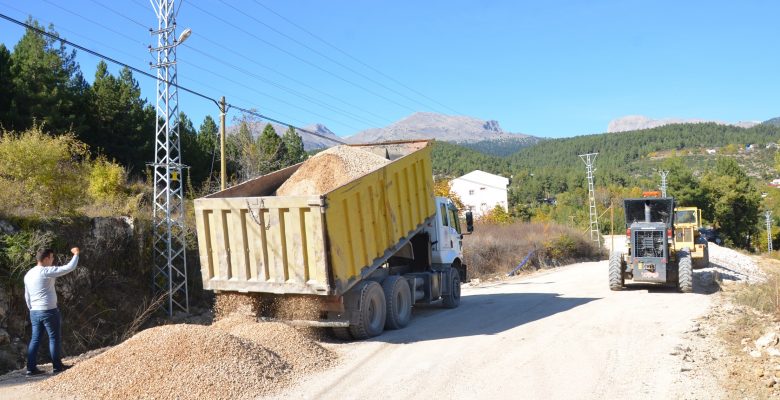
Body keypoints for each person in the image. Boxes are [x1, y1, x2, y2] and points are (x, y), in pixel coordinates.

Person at [23, 247, 80, 376]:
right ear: (47, 258)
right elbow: (69, 267)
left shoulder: (28, 274)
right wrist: (76, 254)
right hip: (49, 311)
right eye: (52, 257)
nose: (53, 260)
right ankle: (57, 367)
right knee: (54, 338)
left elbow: (27, 295)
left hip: (34, 311)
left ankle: (30, 369)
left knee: (35, 339)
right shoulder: (45, 271)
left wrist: (31, 308)